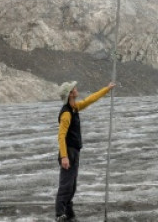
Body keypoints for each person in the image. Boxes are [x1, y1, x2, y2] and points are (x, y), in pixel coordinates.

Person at [55, 80, 116, 222]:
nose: (76, 89)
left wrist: (106, 89)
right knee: (66, 185)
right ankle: (59, 214)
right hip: (68, 153)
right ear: (70, 94)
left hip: (74, 152)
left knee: (72, 185)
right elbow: (61, 136)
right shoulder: (66, 114)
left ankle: (68, 212)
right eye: (73, 88)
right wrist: (64, 157)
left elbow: (90, 100)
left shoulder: (74, 107)